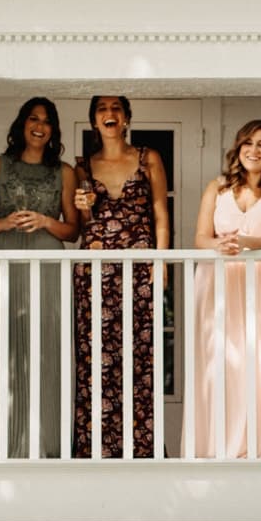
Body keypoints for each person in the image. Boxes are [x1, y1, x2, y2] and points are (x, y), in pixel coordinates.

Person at [0, 97, 78, 459]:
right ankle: (2, 443)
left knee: (45, 347)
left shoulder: (64, 172)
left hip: (47, 262)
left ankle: (45, 443)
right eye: (34, 118)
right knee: (3, 344)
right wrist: (6, 222)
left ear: (54, 130)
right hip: (3, 260)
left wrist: (46, 221)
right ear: (21, 124)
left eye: (47, 121)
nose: (40, 126)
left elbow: (73, 231)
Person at [191, 119, 261, 458]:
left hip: (258, 284)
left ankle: (259, 445)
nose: (254, 150)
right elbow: (200, 239)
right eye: (248, 143)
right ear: (238, 148)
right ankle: (215, 445)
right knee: (218, 360)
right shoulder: (217, 188)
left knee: (259, 360)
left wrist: (246, 241)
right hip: (217, 283)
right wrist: (219, 247)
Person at [73, 95, 168, 459]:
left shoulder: (149, 158)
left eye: (116, 109)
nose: (109, 115)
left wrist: (161, 263)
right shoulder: (82, 166)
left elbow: (160, 211)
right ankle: (96, 449)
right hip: (96, 272)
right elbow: (85, 223)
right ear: (94, 121)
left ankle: (142, 449)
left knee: (139, 356)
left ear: (126, 118)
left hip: (138, 266)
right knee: (96, 358)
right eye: (102, 110)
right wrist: (84, 208)